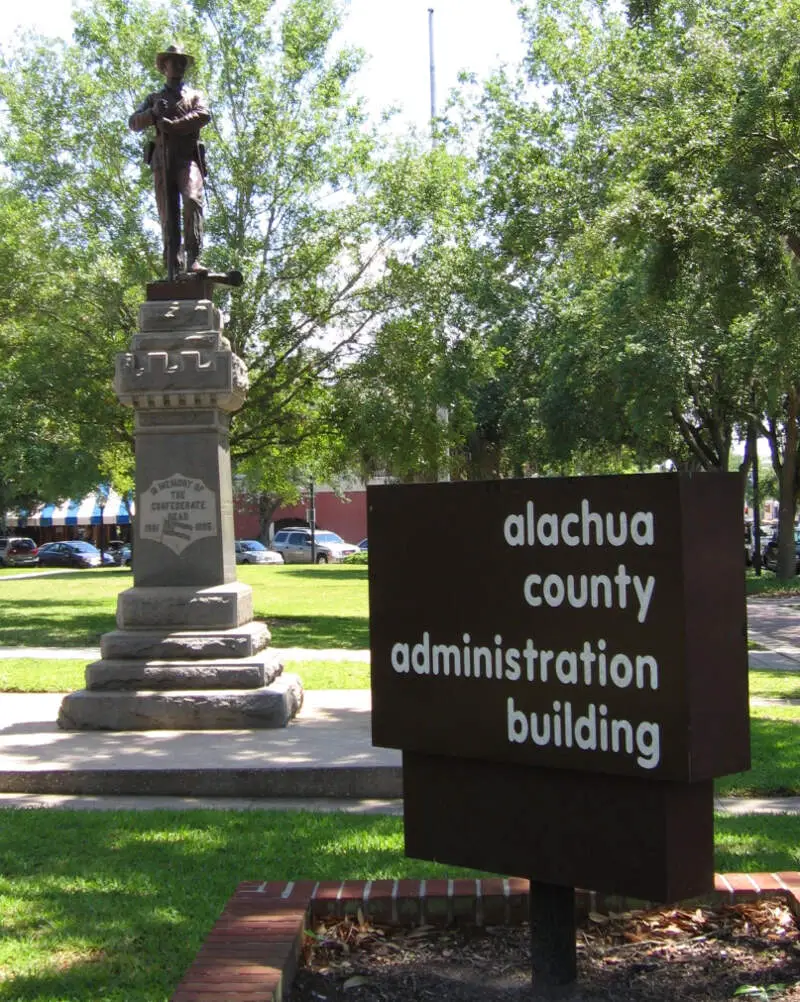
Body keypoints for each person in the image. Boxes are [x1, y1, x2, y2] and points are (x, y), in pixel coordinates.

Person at [129, 45, 210, 278]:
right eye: (173, 62)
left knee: (193, 199)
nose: (178, 66)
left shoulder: (194, 96)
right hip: (163, 161)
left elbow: (203, 115)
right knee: (168, 213)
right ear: (163, 67)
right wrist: (153, 113)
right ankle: (172, 265)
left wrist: (174, 126)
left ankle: (193, 259)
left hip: (188, 159)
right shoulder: (154, 98)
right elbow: (133, 123)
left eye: (182, 62)